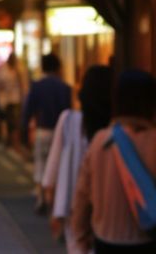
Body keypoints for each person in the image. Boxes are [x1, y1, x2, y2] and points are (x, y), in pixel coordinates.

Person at [70, 69, 156, 253]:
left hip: (106, 242)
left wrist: (79, 238)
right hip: (148, 241)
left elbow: (82, 196)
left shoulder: (100, 141)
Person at [43, 65, 112, 254]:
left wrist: (53, 208)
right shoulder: (117, 131)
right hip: (110, 212)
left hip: (73, 207)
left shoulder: (68, 121)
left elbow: (52, 172)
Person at [23, 53, 73, 212]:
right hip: (60, 131)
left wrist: (24, 128)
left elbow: (28, 110)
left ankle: (40, 197)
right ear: (58, 67)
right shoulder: (65, 88)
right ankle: (53, 198)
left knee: (40, 163)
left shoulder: (37, 86)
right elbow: (68, 111)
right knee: (57, 164)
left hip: (42, 129)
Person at [0, 52, 26, 149]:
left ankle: (14, 141)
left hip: (15, 99)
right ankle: (9, 141)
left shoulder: (18, 70)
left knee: (14, 121)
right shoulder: (4, 71)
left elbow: (22, 85)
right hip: (7, 100)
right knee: (9, 121)